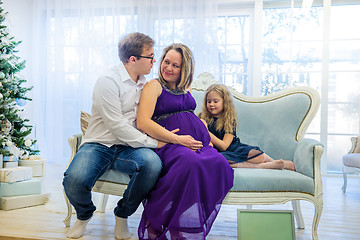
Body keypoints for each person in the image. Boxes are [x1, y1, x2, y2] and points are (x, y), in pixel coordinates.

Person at [63, 32, 167, 240]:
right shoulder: (108, 81)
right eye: (150, 56)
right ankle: (83, 215)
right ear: (133, 59)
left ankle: (122, 214)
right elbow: (117, 125)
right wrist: (153, 143)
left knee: (152, 165)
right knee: (73, 180)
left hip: (129, 147)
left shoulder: (147, 84)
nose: (154, 61)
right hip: (99, 144)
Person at [136, 43, 234, 240]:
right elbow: (143, 122)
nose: (168, 68)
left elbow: (188, 114)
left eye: (175, 65)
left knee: (220, 164)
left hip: (195, 144)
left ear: (185, 69)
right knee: (190, 164)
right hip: (170, 143)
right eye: (166, 62)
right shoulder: (153, 86)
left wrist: (203, 131)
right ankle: (157, 225)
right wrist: (178, 139)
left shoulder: (184, 87)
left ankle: (176, 225)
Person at [199, 84, 295, 171]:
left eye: (215, 101)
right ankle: (263, 166)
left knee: (257, 155)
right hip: (219, 153)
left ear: (225, 103)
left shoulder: (228, 120)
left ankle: (278, 163)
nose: (211, 104)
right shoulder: (202, 118)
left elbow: (224, 146)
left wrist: (206, 131)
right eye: (208, 101)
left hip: (233, 149)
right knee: (220, 159)